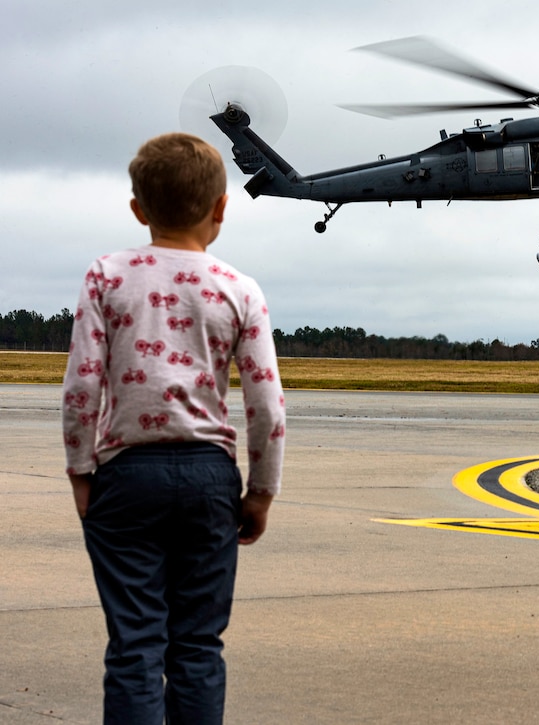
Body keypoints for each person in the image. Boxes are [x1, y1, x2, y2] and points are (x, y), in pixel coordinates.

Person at [61, 132, 286, 724]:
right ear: (221, 208)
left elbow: (83, 384)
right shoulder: (240, 289)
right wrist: (260, 491)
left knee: (136, 646)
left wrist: (81, 471)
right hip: (210, 478)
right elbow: (266, 403)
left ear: (138, 209)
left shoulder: (106, 276)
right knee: (197, 645)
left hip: (126, 476)